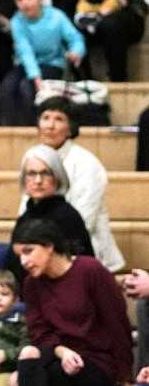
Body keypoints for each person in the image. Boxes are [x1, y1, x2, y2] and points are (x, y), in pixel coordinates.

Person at [12, 218, 131, 386]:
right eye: (19, 255)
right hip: (55, 355)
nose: (23, 261)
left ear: (49, 246)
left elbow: (117, 324)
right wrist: (61, 351)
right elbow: (39, 333)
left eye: (28, 251)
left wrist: (124, 377)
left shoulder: (90, 270)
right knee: (28, 360)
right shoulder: (31, 284)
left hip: (96, 360)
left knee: (35, 378)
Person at [0, 144, 94, 295]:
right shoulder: (27, 215)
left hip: (51, 293)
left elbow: (72, 270)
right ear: (24, 179)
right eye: (31, 173)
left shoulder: (67, 216)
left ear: (57, 178)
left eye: (45, 173)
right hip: (23, 287)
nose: (38, 180)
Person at [30, 97, 123, 271]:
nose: (50, 125)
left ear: (70, 128)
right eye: (46, 118)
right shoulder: (33, 158)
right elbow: (26, 210)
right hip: (39, 247)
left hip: (81, 248)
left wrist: (42, 246)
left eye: (59, 119)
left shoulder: (87, 163)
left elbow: (83, 221)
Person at [0, 0, 85, 126]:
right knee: (7, 87)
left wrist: (76, 51)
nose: (25, 3)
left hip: (53, 63)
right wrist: (36, 77)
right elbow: (25, 51)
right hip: (26, 65)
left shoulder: (56, 16)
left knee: (27, 88)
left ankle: (35, 128)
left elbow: (76, 38)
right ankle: (10, 130)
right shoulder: (16, 21)